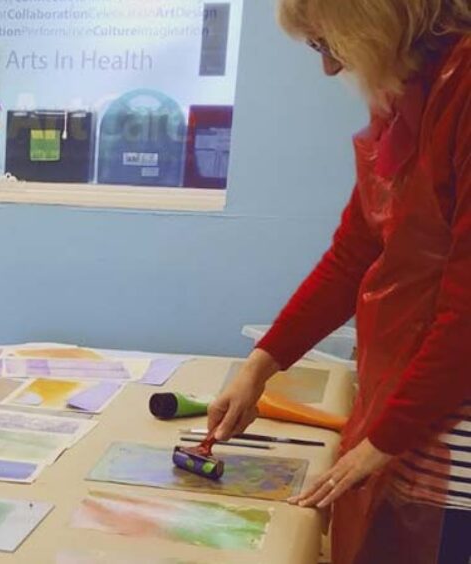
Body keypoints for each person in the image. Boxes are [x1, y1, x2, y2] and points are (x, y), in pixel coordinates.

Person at [207, 1, 471, 563]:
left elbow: (468, 305)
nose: (329, 68)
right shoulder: (408, 94)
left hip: (451, 433)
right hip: (411, 405)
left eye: (326, 43)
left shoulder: (464, 88)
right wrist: (262, 364)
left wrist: (384, 439)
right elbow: (355, 251)